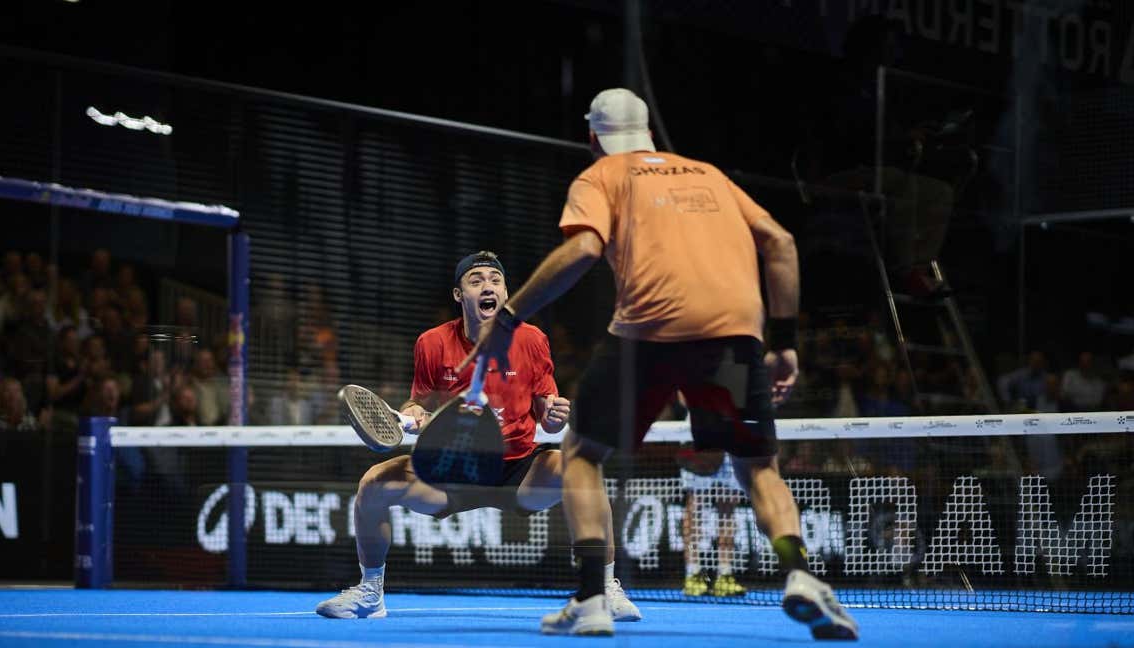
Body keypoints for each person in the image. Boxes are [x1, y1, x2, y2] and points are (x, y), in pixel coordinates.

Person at [463, 89, 858, 639]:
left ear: (593, 137)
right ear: (649, 130)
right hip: (733, 339)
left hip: (650, 334)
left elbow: (580, 252)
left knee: (581, 451)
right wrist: (785, 343)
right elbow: (782, 243)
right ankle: (800, 575)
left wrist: (507, 319)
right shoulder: (710, 176)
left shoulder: (600, 176)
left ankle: (592, 599)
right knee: (757, 465)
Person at [315, 251, 640, 622]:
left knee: (581, 467)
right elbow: (418, 402)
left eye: (495, 279)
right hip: (454, 469)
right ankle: (370, 594)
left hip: (518, 471)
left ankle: (604, 589)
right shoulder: (433, 343)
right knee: (373, 484)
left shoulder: (532, 340)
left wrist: (553, 414)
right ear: (459, 295)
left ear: (505, 292)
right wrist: (413, 413)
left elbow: (546, 416)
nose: (488, 286)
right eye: (476, 280)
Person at [815, 14, 962, 298]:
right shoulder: (842, 83)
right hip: (839, 173)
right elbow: (847, 136)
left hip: (876, 172)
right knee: (900, 184)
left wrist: (912, 136)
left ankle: (919, 268)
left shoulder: (879, 88)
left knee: (939, 192)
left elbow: (886, 134)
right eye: (889, 45)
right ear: (872, 47)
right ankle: (903, 271)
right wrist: (897, 139)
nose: (894, 52)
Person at [680, 451, 748, 598]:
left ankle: (724, 574)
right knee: (695, 503)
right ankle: (693, 573)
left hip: (730, 446)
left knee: (728, 503)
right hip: (700, 441)